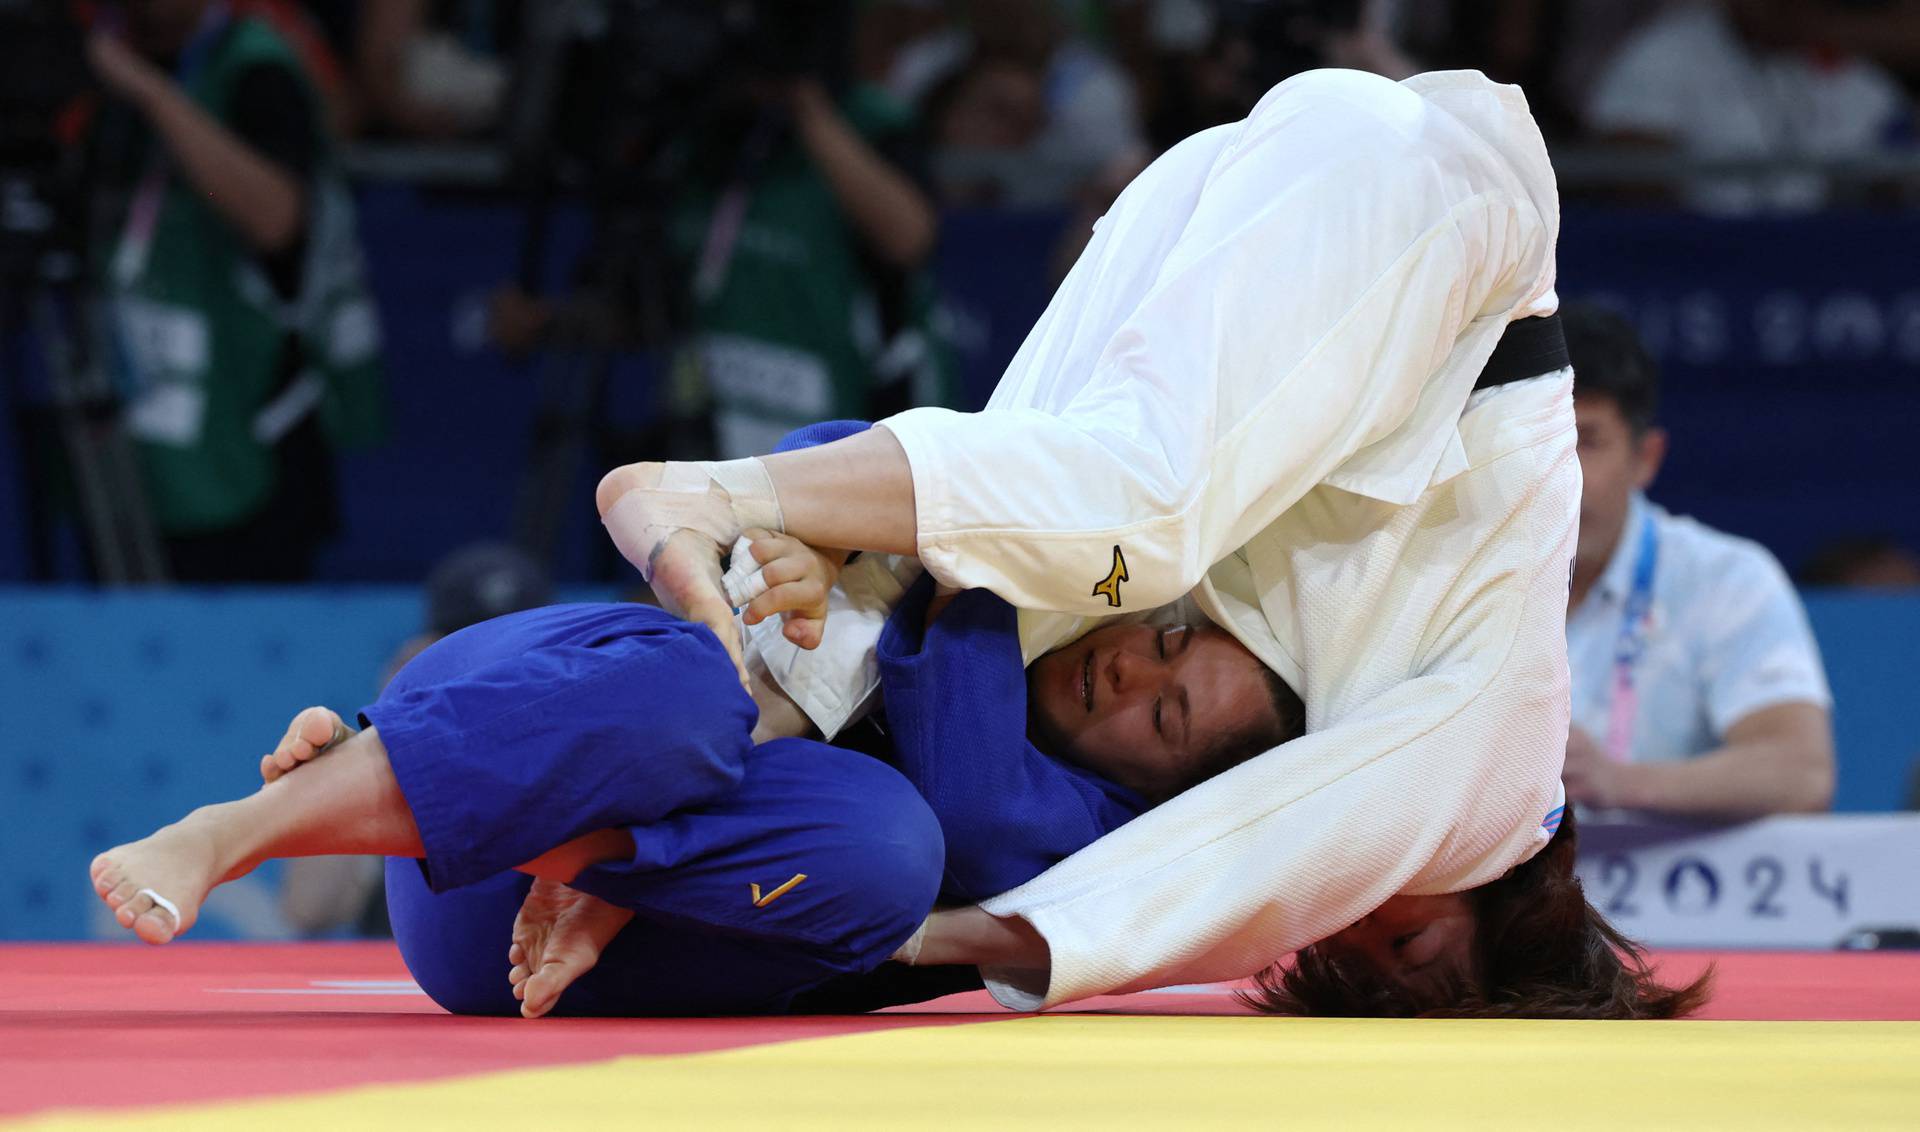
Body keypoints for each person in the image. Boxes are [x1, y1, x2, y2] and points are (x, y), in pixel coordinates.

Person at [597, 66, 1582, 1012]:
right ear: (1513, 899)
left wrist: (697, 806)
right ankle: (710, 495)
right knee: (1141, 520)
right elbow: (1260, 856)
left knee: (1041, 544)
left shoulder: (1348, 681)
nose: (1356, 926)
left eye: (1354, 959)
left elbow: (1009, 548)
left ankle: (705, 741)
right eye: (1410, 946)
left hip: (1294, 193)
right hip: (1427, 227)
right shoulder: (1493, 795)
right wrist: (918, 935)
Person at [89, 527, 1303, 1018]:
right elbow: (821, 459)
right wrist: (825, 535)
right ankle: (239, 825)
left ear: (1166, 789)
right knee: (695, 692)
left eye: (1169, 715)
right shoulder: (1073, 565)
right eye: (1171, 638)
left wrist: (965, 556)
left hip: (501, 960)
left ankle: (577, 837)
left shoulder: (1093, 836)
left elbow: (980, 805)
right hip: (566, 748)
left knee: (894, 851)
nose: (1132, 671)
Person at [85, 0, 385, 582]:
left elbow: (275, 218)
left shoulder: (258, 67)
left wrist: (147, 91)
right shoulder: (83, 65)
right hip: (132, 419)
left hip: (254, 425)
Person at [1559, 304, 1835, 817]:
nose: (1559, 473)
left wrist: (1620, 782)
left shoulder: (1725, 580)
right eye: (1540, 440)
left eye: (1587, 441)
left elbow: (1801, 771)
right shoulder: (1446, 576)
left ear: (1646, 458)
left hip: (1669, 893)